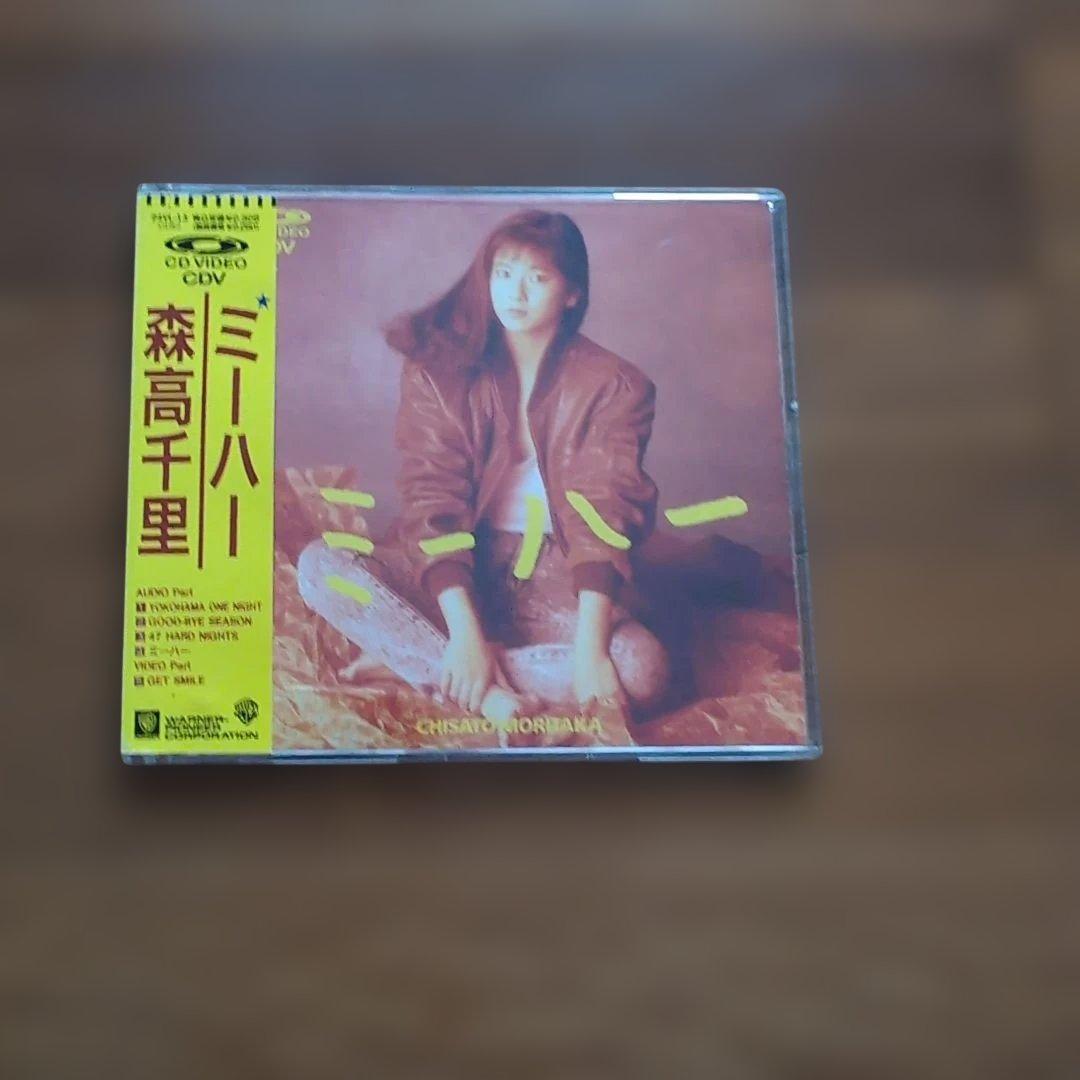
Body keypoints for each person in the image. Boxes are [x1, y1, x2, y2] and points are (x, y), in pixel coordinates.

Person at [300, 209, 670, 728]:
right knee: (322, 566)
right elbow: (432, 500)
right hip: (460, 563)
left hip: (555, 569)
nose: (515, 292)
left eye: (537, 277)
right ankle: (482, 687)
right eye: (504, 273)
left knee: (642, 670)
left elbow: (604, 518)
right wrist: (466, 636)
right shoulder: (439, 370)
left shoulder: (616, 386)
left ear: (572, 294)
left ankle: (418, 661)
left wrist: (591, 655)